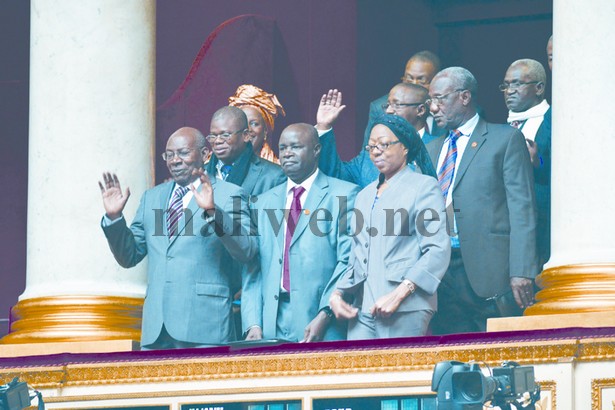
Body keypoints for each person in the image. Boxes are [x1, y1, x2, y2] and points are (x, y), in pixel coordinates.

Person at [99, 127, 257, 349]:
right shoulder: (152, 197)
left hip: (206, 327)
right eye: (169, 155)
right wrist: (114, 219)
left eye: (183, 153)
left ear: (205, 155)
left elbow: (246, 250)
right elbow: (129, 256)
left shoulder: (230, 193)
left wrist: (213, 211)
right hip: (157, 330)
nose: (175, 160)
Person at [425, 67, 539, 335]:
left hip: (490, 273)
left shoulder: (504, 139)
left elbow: (522, 209)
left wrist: (522, 270)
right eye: (431, 100)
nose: (433, 108)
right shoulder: (430, 150)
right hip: (441, 274)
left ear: (464, 97)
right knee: (452, 362)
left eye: (440, 99)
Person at [329, 114, 450, 339]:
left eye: (384, 144)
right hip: (363, 306)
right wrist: (338, 293)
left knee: (397, 373)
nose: (376, 151)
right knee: (358, 373)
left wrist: (400, 293)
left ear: (405, 148)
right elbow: (357, 256)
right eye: (372, 146)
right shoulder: (364, 195)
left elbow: (437, 250)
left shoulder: (424, 187)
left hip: (407, 305)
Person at [242, 123, 359, 342]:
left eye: (295, 147)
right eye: (283, 147)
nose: (287, 154)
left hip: (321, 321)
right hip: (270, 324)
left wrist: (325, 313)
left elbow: (348, 262)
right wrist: (253, 323)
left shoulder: (343, 195)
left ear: (316, 150)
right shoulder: (262, 202)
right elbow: (253, 269)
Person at [317, 85, 436, 188]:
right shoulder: (371, 154)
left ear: (420, 110)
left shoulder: (439, 148)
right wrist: (324, 127)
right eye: (388, 105)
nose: (389, 111)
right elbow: (336, 175)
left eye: (397, 105)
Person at [502, 59, 551, 267]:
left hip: (541, 225)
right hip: (505, 225)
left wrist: (536, 160)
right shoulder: (501, 126)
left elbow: (562, 168)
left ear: (539, 88)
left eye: (517, 84)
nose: (509, 91)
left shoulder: (554, 120)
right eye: (506, 85)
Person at [363, 50, 442, 147]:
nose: (414, 85)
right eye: (409, 79)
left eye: (421, 80)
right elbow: (367, 153)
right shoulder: (381, 108)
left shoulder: (446, 108)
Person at [205, 106, 285, 195]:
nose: (218, 141)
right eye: (213, 136)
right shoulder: (199, 173)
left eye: (225, 135)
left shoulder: (274, 176)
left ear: (246, 135)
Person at [228, 84, 286, 164]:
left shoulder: (278, 170)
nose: (248, 129)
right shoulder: (215, 166)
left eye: (254, 124)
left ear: (265, 131)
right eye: (242, 122)